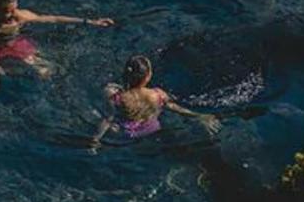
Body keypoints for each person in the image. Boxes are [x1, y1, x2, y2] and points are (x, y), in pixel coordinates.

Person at [90, 55, 219, 151]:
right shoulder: (158, 94)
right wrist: (199, 115)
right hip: (153, 129)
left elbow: (108, 119)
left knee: (103, 117)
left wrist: (95, 139)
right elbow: (175, 107)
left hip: (127, 134)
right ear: (148, 76)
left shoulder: (117, 97)